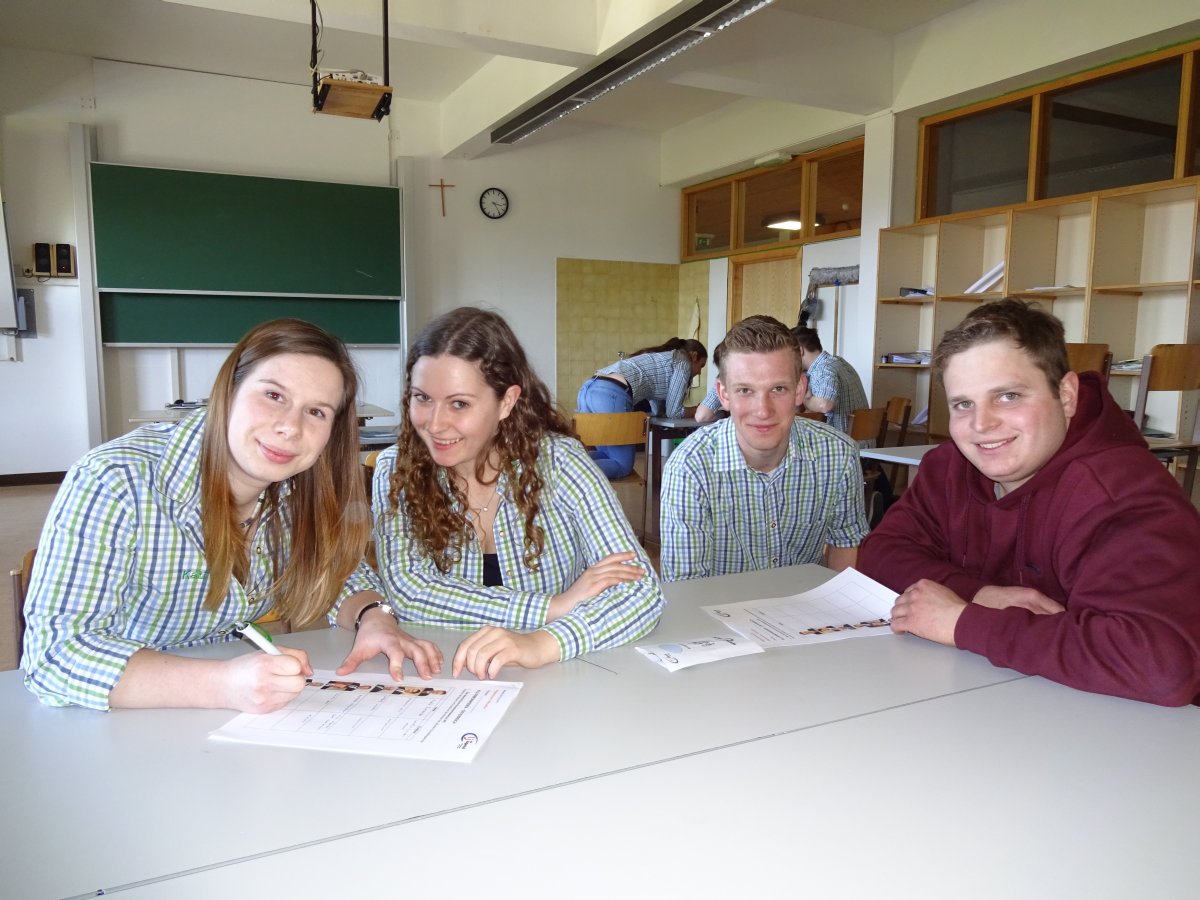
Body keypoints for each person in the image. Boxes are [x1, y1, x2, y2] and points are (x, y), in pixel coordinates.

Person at [22, 318, 441, 713]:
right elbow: (54, 656)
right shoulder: (116, 479)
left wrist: (375, 618)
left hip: (222, 722)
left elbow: (340, 573)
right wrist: (221, 683)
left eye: (316, 412)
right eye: (273, 396)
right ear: (229, 390)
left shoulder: (296, 488)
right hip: (109, 717)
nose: (290, 427)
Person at [858, 297, 1200, 706]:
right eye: (963, 404)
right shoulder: (948, 467)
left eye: (1008, 396)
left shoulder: (1122, 493)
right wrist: (979, 595)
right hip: (990, 700)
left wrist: (964, 622)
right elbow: (880, 553)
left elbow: (1161, 665)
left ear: (1066, 395)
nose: (982, 424)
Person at [374, 306, 664, 680]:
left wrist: (541, 643)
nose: (435, 423)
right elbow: (410, 593)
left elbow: (641, 593)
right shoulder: (396, 469)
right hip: (444, 676)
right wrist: (552, 608)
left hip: (561, 674)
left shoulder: (559, 463)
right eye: (422, 398)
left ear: (507, 402)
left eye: (459, 403)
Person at [659, 315, 868, 582]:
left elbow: (844, 544)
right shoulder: (689, 467)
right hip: (718, 606)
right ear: (724, 395)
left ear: (800, 390)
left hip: (803, 605)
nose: (763, 410)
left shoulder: (838, 455)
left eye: (778, 389)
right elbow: (685, 586)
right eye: (745, 390)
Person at [577, 336, 707, 478]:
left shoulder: (663, 358)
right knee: (622, 465)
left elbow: (657, 407)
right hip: (610, 395)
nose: (699, 372)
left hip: (588, 389)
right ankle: (572, 474)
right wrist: (698, 410)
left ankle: (570, 464)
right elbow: (673, 412)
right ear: (694, 356)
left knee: (605, 454)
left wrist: (664, 411)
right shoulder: (683, 362)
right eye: (701, 366)